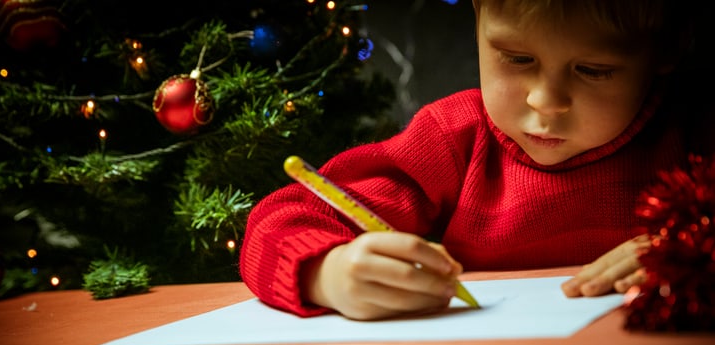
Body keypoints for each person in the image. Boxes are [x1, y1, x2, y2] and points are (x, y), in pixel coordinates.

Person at [240, 0, 710, 320]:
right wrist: (329, 274)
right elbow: (275, 223)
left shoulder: (693, 131)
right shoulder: (452, 140)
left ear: (666, 47)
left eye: (594, 70)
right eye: (517, 59)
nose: (546, 101)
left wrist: (695, 252)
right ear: (477, 26)